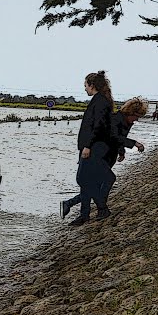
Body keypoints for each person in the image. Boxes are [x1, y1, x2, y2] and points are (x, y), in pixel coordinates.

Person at [60, 70, 114, 226]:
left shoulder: (100, 102)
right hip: (93, 147)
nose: (84, 89)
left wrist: (88, 146)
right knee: (87, 180)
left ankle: (102, 209)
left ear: (92, 85)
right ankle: (84, 215)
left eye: (85, 85)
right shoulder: (99, 100)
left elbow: (97, 127)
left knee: (82, 179)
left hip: (93, 148)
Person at [96, 97, 148, 216]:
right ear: (131, 112)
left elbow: (119, 139)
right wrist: (134, 143)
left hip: (110, 154)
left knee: (100, 182)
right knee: (105, 180)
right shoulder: (115, 118)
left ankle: (99, 209)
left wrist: (121, 151)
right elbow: (113, 137)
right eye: (137, 116)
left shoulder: (126, 121)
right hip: (101, 153)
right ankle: (100, 209)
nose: (136, 120)